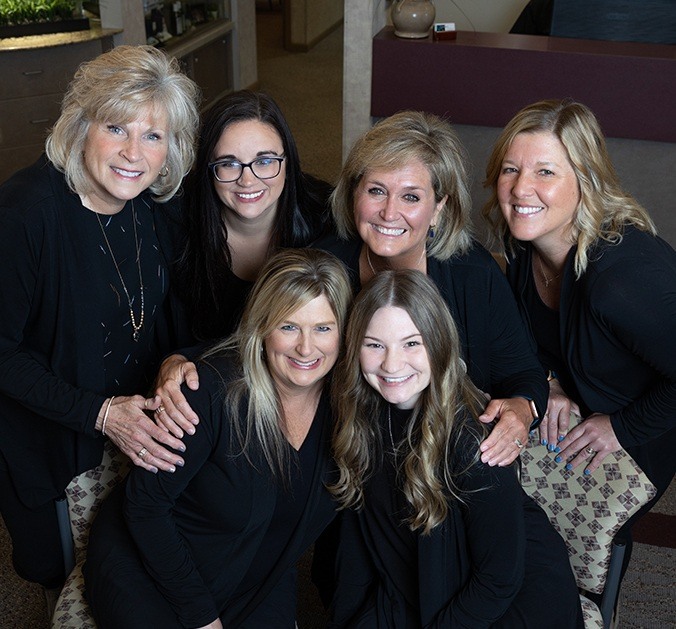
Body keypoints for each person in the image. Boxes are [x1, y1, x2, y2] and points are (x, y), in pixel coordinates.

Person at [0, 45, 199, 606]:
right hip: (53, 443)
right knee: (67, 579)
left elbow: (162, 314)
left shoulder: (153, 205)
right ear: (82, 125)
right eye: (117, 127)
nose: (134, 153)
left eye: (154, 136)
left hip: (136, 427)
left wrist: (174, 359)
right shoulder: (24, 214)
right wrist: (101, 413)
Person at [84, 248, 352, 628]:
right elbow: (145, 508)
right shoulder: (205, 392)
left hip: (254, 576)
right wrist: (202, 618)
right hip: (152, 570)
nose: (306, 348)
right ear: (261, 328)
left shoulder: (347, 408)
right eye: (288, 326)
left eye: (323, 328)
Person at [482, 98, 676, 601]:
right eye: (511, 169)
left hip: (644, 426)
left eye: (545, 172)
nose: (522, 188)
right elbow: (523, 330)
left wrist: (622, 426)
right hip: (578, 399)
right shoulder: (525, 244)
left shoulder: (624, 277)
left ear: (585, 182)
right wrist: (547, 380)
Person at [328, 269, 583, 628]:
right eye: (374, 345)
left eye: (412, 343)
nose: (391, 363)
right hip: (420, 580)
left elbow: (499, 580)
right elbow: (360, 538)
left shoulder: (471, 443)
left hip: (503, 602)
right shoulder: (363, 416)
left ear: (439, 344)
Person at [315, 111, 548, 466]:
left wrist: (522, 410)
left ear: (439, 208)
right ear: (353, 194)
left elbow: (524, 375)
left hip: (445, 460)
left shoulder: (472, 273)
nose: (389, 213)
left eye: (411, 197)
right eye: (376, 191)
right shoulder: (321, 268)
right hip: (343, 455)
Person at [155, 89, 334, 432]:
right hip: (209, 392)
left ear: (288, 161)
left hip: (299, 388)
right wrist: (171, 360)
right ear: (208, 167)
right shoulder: (175, 223)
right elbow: (161, 329)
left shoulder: (325, 219)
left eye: (265, 160)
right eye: (228, 163)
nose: (248, 179)